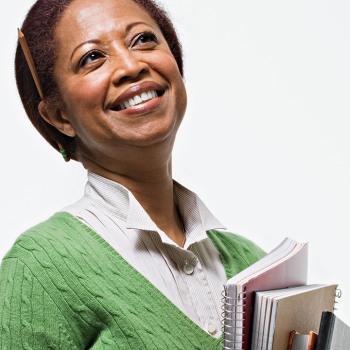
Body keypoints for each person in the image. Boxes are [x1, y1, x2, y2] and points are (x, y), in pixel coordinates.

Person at [0, 0, 266, 348]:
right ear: (60, 116)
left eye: (142, 39)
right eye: (92, 57)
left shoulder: (253, 265)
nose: (131, 65)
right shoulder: (39, 269)